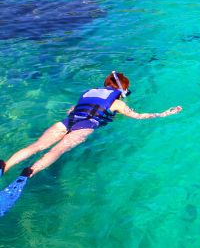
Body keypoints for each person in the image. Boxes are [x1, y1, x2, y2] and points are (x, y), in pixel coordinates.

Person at [4, 72, 182, 178]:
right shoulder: (118, 103)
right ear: (123, 90)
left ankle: (4, 166)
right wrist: (164, 113)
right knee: (56, 151)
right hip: (86, 126)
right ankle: (28, 173)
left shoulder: (89, 93)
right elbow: (138, 116)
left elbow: (71, 110)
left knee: (37, 146)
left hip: (67, 121)